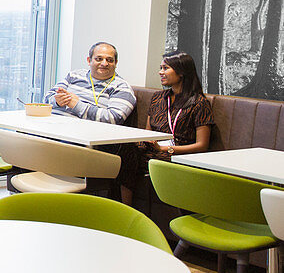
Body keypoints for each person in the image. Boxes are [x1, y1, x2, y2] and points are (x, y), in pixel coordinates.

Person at [118, 51, 214, 205]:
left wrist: (164, 150)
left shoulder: (199, 103)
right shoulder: (158, 98)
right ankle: (125, 209)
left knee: (141, 159)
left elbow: (202, 146)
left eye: (165, 68)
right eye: (160, 68)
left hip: (178, 154)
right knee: (125, 152)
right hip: (153, 147)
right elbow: (147, 132)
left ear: (181, 72)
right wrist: (149, 142)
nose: (160, 72)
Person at [43, 42, 136, 124]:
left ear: (116, 63)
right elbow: (47, 98)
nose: (104, 63)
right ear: (89, 60)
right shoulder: (74, 75)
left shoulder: (121, 87)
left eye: (109, 60)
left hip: (80, 135)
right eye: (99, 59)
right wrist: (58, 101)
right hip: (51, 124)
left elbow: (114, 118)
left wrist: (77, 105)